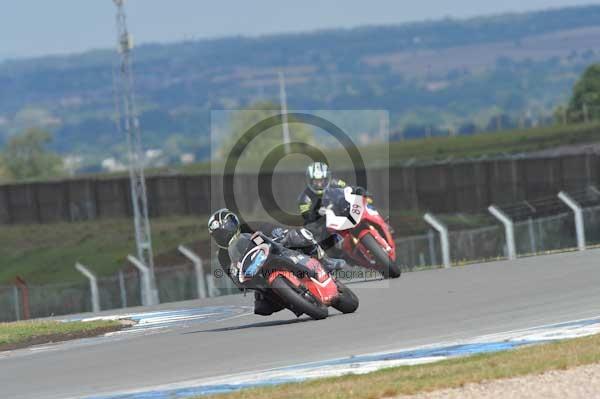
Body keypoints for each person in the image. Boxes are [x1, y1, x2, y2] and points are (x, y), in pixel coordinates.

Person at [208, 208, 345, 316]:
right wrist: (239, 276)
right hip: (259, 274)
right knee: (262, 308)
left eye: (227, 228)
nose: (225, 234)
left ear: (234, 223)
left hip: (275, 251)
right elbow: (235, 279)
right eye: (220, 234)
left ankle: (325, 261)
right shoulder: (222, 255)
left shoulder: (249, 227)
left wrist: (281, 234)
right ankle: (294, 302)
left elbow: (270, 228)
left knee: (301, 235)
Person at [298, 162, 370, 248]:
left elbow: (349, 189)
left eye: (321, 180)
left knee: (364, 206)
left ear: (326, 179)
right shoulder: (304, 198)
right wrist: (317, 213)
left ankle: (382, 226)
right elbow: (306, 216)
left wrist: (359, 191)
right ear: (310, 181)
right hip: (325, 223)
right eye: (316, 181)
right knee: (316, 232)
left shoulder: (337, 183)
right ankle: (334, 251)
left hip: (341, 212)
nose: (319, 184)